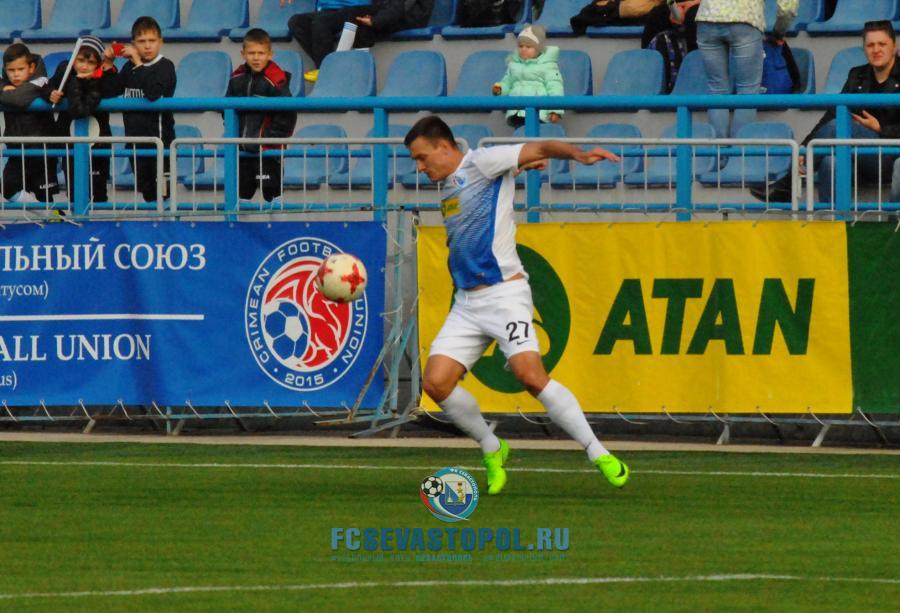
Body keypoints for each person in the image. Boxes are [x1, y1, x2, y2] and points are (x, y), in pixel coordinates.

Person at [404, 115, 630, 495]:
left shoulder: (482, 162)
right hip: (467, 303)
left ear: (444, 146)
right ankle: (492, 446)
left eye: (422, 157)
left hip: (504, 296)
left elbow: (539, 146)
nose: (420, 167)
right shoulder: (451, 185)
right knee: (436, 384)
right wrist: (519, 168)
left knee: (531, 377)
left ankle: (599, 452)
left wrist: (577, 155)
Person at [751, 20, 900, 204]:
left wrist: (880, 128)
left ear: (894, 46)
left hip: (893, 156)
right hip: (864, 158)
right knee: (830, 160)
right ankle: (831, 219)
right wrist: (805, 146)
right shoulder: (857, 75)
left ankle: (788, 184)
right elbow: (832, 115)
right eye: (870, 45)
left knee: (840, 125)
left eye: (882, 44)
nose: (876, 50)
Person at [695, 0, 798, 138]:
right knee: (747, 92)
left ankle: (717, 149)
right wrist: (779, 31)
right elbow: (788, 7)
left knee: (716, 91)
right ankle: (740, 149)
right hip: (745, 20)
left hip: (706, 19)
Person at [44, 36, 123, 203]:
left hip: (99, 143)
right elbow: (47, 86)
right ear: (73, 58)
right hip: (70, 142)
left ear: (98, 63)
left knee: (98, 194)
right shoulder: (64, 70)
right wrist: (50, 94)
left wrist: (108, 66)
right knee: (74, 193)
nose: (84, 66)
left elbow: (114, 90)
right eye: (80, 60)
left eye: (91, 62)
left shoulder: (104, 75)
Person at [226, 28, 297, 204]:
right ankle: (240, 224)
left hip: (268, 152)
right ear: (243, 54)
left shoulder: (276, 79)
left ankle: (278, 223)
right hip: (242, 150)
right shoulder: (236, 78)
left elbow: (287, 115)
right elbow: (226, 110)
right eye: (251, 53)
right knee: (242, 197)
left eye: (261, 53)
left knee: (273, 197)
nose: (256, 58)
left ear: (270, 54)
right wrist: (237, 136)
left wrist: (266, 140)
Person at [285, 0, 434, 83]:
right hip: (386, 12)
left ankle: (332, 70)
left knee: (351, 18)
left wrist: (375, 21)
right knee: (297, 22)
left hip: (406, 18)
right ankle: (330, 68)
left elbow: (399, 7)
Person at [115, 16, 176, 203]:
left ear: (160, 42)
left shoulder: (166, 66)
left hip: (160, 144)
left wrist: (138, 64)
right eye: (142, 41)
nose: (147, 46)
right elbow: (111, 91)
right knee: (148, 196)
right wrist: (108, 64)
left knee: (164, 196)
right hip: (135, 143)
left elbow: (153, 93)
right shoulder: (128, 68)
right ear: (133, 44)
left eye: (152, 41)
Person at [0, 44, 59, 203]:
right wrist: (3, 87)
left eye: (20, 69)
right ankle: (45, 215)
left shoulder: (41, 81)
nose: (16, 74)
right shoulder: (5, 84)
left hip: (41, 153)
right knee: (8, 188)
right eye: (11, 70)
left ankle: (55, 217)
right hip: (17, 152)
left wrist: (51, 95)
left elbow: (17, 99)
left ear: (31, 68)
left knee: (45, 198)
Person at [492, 25, 564, 128]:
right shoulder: (513, 64)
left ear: (538, 48)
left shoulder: (548, 66)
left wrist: (555, 110)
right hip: (516, 112)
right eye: (521, 46)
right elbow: (507, 82)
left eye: (528, 47)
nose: (523, 49)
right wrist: (500, 89)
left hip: (538, 113)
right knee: (520, 135)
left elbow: (555, 88)